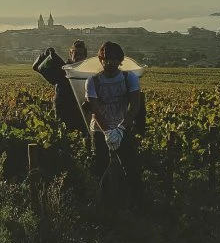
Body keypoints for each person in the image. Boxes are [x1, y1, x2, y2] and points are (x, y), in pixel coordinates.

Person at [85, 41, 144, 214]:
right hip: (100, 129)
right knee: (101, 167)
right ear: (101, 60)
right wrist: (108, 132)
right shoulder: (93, 81)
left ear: (120, 60)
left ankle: (137, 205)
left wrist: (120, 129)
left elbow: (134, 107)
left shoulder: (129, 78)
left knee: (131, 166)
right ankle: (103, 206)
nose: (109, 62)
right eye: (106, 59)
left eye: (113, 59)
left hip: (122, 127)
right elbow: (94, 109)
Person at [33, 40, 89, 133]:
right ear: (70, 53)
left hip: (81, 109)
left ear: (85, 56)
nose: (78, 57)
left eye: (81, 54)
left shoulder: (88, 72)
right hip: (63, 108)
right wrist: (44, 55)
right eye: (76, 54)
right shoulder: (61, 67)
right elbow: (37, 67)